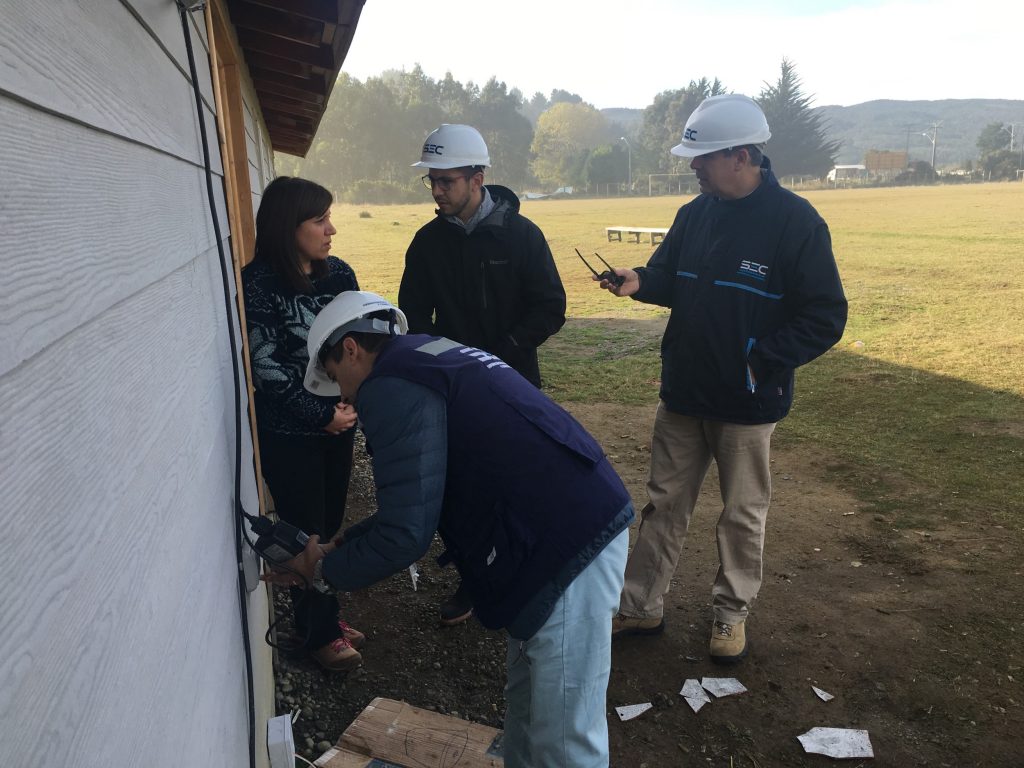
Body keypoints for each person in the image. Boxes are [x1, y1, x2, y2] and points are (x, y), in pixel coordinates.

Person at [264, 291, 633, 768]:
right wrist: (340, 545)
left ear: (351, 348)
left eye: (337, 379)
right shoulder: (428, 354)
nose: (344, 397)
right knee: (528, 718)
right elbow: (417, 497)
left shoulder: (390, 386)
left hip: (565, 542)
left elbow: (405, 534)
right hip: (558, 523)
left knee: (566, 740)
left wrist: (322, 570)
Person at [599, 94, 848, 664]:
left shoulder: (795, 222)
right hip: (684, 393)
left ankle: (730, 614)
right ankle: (640, 606)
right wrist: (639, 280)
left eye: (703, 157)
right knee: (664, 503)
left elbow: (826, 315)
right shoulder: (695, 214)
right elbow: (669, 276)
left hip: (749, 402)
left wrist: (761, 360)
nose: (693, 166)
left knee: (741, 512)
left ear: (742, 156)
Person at [399, 123, 567, 624]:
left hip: (514, 385)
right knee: (459, 486)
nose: (436, 190)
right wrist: (445, 362)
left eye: (446, 180)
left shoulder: (521, 235)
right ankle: (474, 576)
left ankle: (527, 573)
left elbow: (550, 307)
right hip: (450, 389)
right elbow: (413, 316)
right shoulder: (427, 243)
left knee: (517, 481)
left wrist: (501, 353)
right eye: (431, 180)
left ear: (478, 178)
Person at [242, 176, 366, 671]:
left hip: (341, 422)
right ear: (287, 225)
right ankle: (319, 635)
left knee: (331, 525)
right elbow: (266, 366)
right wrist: (322, 415)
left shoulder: (338, 275)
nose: (331, 229)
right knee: (304, 536)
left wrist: (352, 405)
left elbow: (361, 342)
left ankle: (325, 616)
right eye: (319, 220)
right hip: (292, 434)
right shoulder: (259, 284)